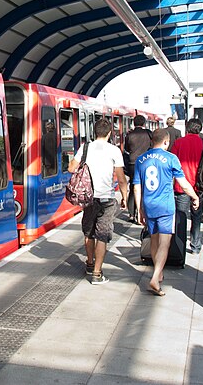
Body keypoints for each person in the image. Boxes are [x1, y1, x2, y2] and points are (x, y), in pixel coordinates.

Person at [134, 128, 199, 296]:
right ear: (165, 142)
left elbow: (137, 186)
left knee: (154, 240)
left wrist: (139, 208)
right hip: (165, 206)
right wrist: (194, 197)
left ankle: (158, 271)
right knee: (165, 242)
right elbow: (183, 183)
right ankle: (155, 277)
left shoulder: (141, 160)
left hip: (149, 205)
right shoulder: (171, 158)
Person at [68, 118, 128, 285]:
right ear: (109, 133)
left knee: (88, 232)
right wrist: (124, 196)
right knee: (102, 236)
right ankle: (97, 273)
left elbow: (71, 168)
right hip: (107, 199)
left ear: (94, 132)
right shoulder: (114, 150)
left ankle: (89, 263)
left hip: (88, 198)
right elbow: (121, 179)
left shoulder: (85, 147)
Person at [171, 117, 203, 255]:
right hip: (199, 186)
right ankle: (195, 246)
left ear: (187, 128)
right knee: (196, 217)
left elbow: (172, 163)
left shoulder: (178, 142)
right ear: (200, 128)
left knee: (181, 218)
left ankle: (180, 245)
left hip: (181, 186)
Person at [123, 115, 153, 224]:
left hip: (132, 164)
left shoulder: (129, 135)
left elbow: (126, 149)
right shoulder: (149, 134)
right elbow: (152, 147)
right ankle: (143, 212)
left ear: (134, 123)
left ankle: (131, 214)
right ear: (144, 123)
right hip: (145, 163)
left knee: (133, 187)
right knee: (144, 188)